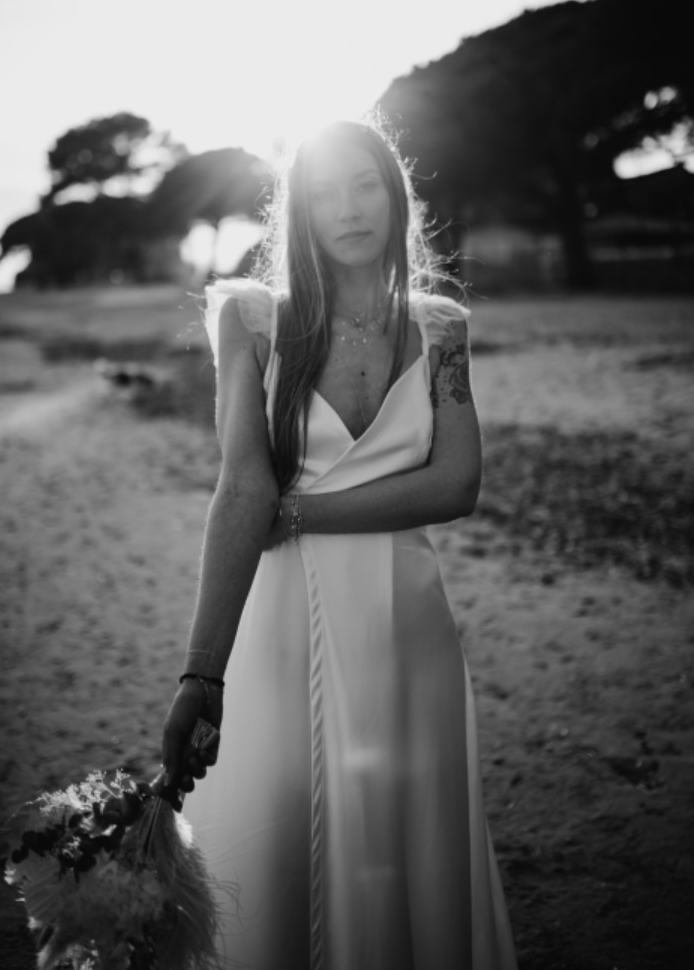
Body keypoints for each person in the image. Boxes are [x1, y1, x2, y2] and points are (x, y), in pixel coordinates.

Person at [161, 118, 518, 970]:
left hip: (408, 633)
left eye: (365, 187)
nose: (349, 209)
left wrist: (301, 515)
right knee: (276, 839)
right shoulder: (252, 321)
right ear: (301, 212)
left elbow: (456, 484)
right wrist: (201, 672)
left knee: (408, 841)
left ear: (396, 200)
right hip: (282, 622)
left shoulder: (442, 329)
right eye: (325, 193)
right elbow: (242, 489)